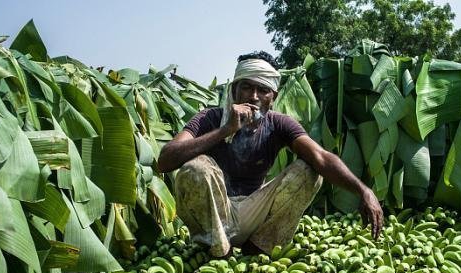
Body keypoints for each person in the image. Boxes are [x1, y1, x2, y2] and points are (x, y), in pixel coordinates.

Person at [157, 51, 383, 257]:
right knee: (196, 168)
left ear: (272, 97)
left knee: (308, 169)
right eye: (246, 87)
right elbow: (165, 160)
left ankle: (256, 250)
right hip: (215, 217)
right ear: (234, 90)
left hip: (255, 213)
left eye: (263, 90)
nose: (254, 96)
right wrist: (225, 131)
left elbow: (321, 157)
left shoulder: (278, 124)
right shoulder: (210, 119)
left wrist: (363, 190)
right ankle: (219, 251)